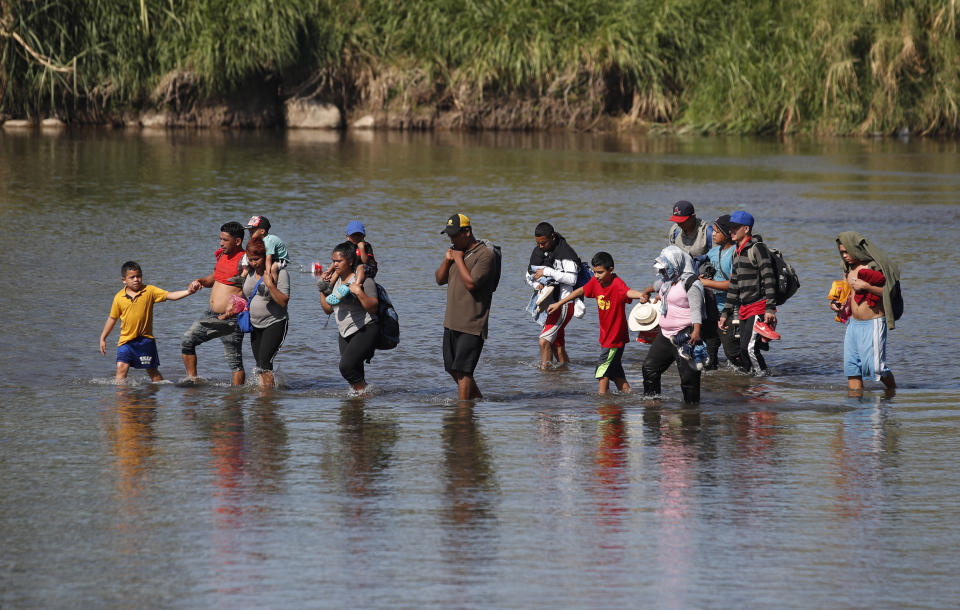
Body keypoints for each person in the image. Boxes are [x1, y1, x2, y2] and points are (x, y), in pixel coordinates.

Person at [547, 252, 645, 394]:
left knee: (602, 370)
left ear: (611, 270)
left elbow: (628, 292)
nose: (596, 276)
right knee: (615, 372)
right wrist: (560, 303)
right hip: (606, 338)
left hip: (615, 338)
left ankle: (602, 403)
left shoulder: (617, 283)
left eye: (600, 272)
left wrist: (641, 295)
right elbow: (581, 290)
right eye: (594, 272)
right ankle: (630, 397)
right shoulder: (595, 282)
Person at [99, 261, 200, 382]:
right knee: (121, 368)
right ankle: (122, 399)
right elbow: (112, 318)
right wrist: (103, 338)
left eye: (139, 276)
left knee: (152, 372)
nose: (136, 279)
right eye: (132, 277)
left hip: (145, 341)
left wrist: (188, 291)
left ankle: (155, 397)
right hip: (125, 341)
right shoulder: (118, 297)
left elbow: (171, 295)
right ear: (124, 280)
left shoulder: (149, 291)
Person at [435, 213, 496, 401]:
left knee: (464, 370)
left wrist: (459, 259)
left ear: (467, 232)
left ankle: (463, 412)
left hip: (472, 323)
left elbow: (471, 284)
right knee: (452, 368)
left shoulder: (485, 255)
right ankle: (477, 399)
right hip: (452, 321)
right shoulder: (455, 252)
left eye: (454, 235)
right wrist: (447, 260)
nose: (451, 239)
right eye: (449, 235)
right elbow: (439, 279)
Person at [181, 221, 247, 385]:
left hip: (231, 318)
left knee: (234, 361)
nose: (221, 243)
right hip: (211, 314)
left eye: (225, 240)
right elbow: (215, 278)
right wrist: (201, 281)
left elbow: (252, 287)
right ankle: (193, 381)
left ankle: (236, 399)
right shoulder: (222, 255)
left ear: (237, 241)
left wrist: (237, 309)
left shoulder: (245, 261)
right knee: (188, 340)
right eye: (220, 239)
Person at [832, 231, 899, 396]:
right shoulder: (848, 268)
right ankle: (855, 411)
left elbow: (889, 292)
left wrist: (867, 287)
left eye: (848, 251)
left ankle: (892, 393)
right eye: (842, 252)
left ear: (856, 248)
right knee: (852, 368)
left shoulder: (876, 266)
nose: (845, 256)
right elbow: (849, 294)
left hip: (874, 323)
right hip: (853, 324)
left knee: (876, 368)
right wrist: (839, 306)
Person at [637, 246, 706, 403]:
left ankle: (692, 414)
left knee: (688, 379)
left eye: (665, 268)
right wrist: (647, 291)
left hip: (686, 335)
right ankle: (652, 402)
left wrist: (696, 332)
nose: (662, 272)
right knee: (650, 368)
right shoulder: (667, 281)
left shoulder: (691, 283)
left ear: (675, 264)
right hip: (666, 335)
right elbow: (657, 285)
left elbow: (696, 309)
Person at [718, 211, 778, 373]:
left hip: (759, 307)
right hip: (745, 309)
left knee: (749, 349)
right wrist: (725, 313)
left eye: (734, 228)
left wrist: (770, 309)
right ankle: (749, 386)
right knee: (743, 350)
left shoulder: (758, 249)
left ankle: (762, 381)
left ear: (746, 229)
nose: (731, 231)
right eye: (730, 228)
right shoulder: (736, 253)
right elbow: (734, 286)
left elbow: (769, 279)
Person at [320, 241, 379, 394]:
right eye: (333, 261)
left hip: (365, 328)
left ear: (350, 261)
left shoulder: (365, 280)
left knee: (346, 367)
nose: (335, 264)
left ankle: (365, 395)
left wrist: (358, 292)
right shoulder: (336, 281)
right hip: (345, 331)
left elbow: (373, 307)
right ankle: (359, 408)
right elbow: (327, 309)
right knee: (355, 372)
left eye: (339, 261)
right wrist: (322, 289)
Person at [525, 222, 583, 369]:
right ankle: (564, 376)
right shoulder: (540, 251)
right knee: (558, 347)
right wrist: (535, 284)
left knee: (544, 341)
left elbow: (572, 279)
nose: (540, 247)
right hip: (550, 304)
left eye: (543, 243)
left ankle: (546, 378)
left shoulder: (566, 254)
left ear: (552, 237)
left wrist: (548, 272)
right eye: (537, 243)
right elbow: (529, 274)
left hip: (563, 304)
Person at [240, 238, 290, 390]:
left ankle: (266, 400)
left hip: (275, 322)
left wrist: (269, 284)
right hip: (255, 324)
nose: (253, 263)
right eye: (250, 259)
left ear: (266, 256)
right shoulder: (249, 273)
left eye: (257, 259)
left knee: (264, 363)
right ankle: (268, 399)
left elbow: (283, 302)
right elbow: (246, 295)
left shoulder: (280, 274)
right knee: (260, 365)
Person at [700, 214, 742, 369]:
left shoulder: (734, 254)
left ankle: (747, 383)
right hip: (711, 310)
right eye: (713, 230)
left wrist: (708, 282)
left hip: (730, 309)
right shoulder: (712, 252)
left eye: (717, 231)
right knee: (708, 355)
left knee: (732, 353)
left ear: (726, 233)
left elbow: (734, 284)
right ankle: (712, 388)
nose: (713, 234)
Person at [243, 215, 289, 283]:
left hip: (280, 259)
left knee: (273, 269)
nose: (250, 234)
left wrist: (267, 272)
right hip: (272, 257)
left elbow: (268, 258)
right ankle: (242, 277)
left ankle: (273, 283)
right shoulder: (258, 241)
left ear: (262, 231)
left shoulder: (268, 241)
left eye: (252, 232)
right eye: (249, 231)